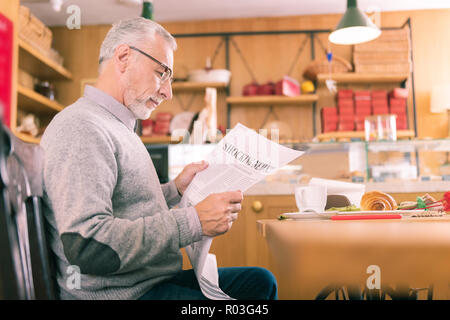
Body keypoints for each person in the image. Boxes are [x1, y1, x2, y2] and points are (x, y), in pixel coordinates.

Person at [40, 17, 277, 300]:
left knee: (261, 282)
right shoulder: (82, 127)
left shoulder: (116, 124)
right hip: (124, 294)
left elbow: (123, 205)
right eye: (161, 72)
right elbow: (90, 246)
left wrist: (174, 190)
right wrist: (193, 222)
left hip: (147, 280)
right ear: (124, 57)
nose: (168, 91)